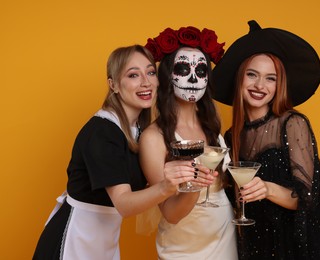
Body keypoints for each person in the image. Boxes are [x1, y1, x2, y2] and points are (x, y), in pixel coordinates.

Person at [33, 45, 212, 260]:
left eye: (150, 72)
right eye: (133, 75)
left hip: (104, 240)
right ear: (114, 85)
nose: (146, 82)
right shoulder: (102, 132)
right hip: (74, 239)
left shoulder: (136, 130)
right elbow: (124, 204)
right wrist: (166, 185)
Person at [212, 20, 320, 259]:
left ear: (280, 85)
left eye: (271, 78)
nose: (259, 85)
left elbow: (307, 199)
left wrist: (267, 188)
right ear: (240, 78)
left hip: (298, 242)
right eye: (252, 75)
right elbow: (234, 200)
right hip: (258, 242)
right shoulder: (231, 136)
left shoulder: (292, 123)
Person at [140, 26, 238, 259]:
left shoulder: (213, 126)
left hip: (225, 236)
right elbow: (171, 214)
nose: (193, 78)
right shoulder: (153, 138)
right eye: (183, 69)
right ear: (167, 75)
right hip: (183, 246)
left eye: (202, 70)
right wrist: (196, 184)